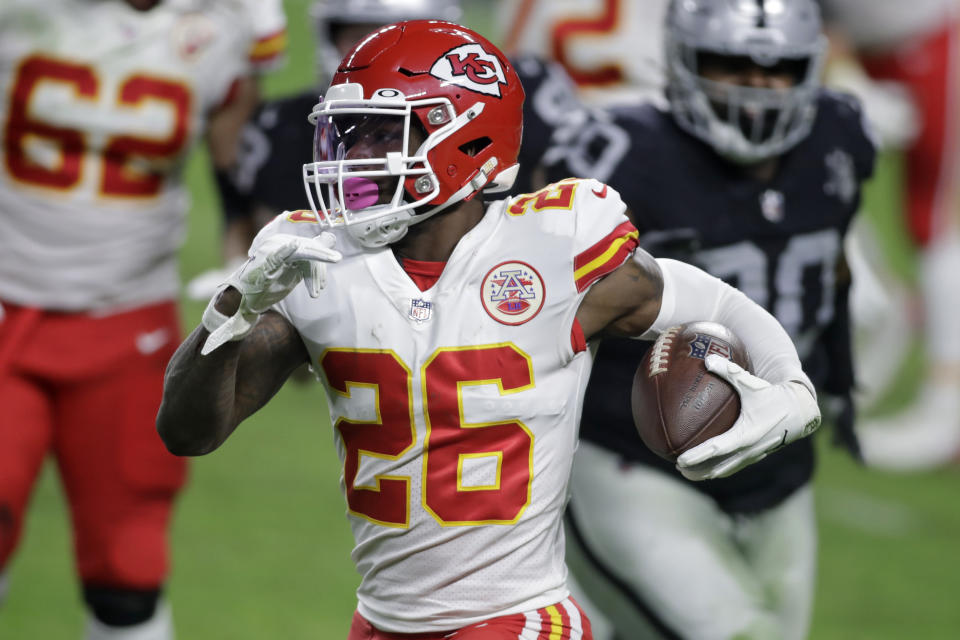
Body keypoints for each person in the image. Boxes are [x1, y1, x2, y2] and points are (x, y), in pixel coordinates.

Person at [156, 19, 823, 638]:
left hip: (516, 616)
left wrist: (789, 385)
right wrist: (229, 316)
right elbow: (188, 432)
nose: (358, 155)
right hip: (381, 621)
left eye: (386, 133)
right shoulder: (317, 260)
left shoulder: (555, 245)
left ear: (469, 141)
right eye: (351, 131)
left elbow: (712, 301)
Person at [540, 1, 875, 638]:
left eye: (778, 67)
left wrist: (837, 376)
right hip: (631, 458)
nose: (756, 84)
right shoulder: (620, 156)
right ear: (683, 57)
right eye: (732, 62)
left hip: (780, 458)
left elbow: (834, 265)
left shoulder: (839, 135)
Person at [0, 0, 285, 638]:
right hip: (7, 294)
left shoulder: (231, 22)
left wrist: (248, 271)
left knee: (126, 571)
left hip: (129, 315)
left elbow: (234, 161)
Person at [186, 0, 464, 301]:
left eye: (387, 37)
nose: (372, 53)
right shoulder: (279, 126)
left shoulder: (468, 127)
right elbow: (248, 223)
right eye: (357, 35)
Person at [816, 0, 960, 470]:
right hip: (854, 47)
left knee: (937, 220)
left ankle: (947, 408)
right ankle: (883, 306)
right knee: (811, 186)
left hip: (932, 39)